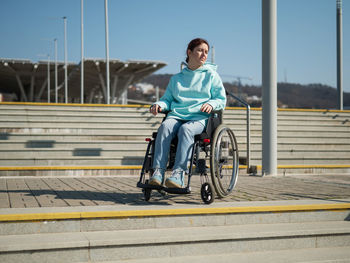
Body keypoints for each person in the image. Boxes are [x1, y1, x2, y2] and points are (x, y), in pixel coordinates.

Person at [149, 38, 226, 188]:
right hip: (177, 115)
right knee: (164, 127)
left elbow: (220, 99)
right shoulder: (176, 79)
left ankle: (178, 174)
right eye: (200, 50)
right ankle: (158, 171)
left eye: (206, 52)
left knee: (186, 129)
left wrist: (211, 103)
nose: (204, 54)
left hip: (199, 118)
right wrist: (158, 104)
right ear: (189, 52)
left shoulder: (211, 76)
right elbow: (167, 100)